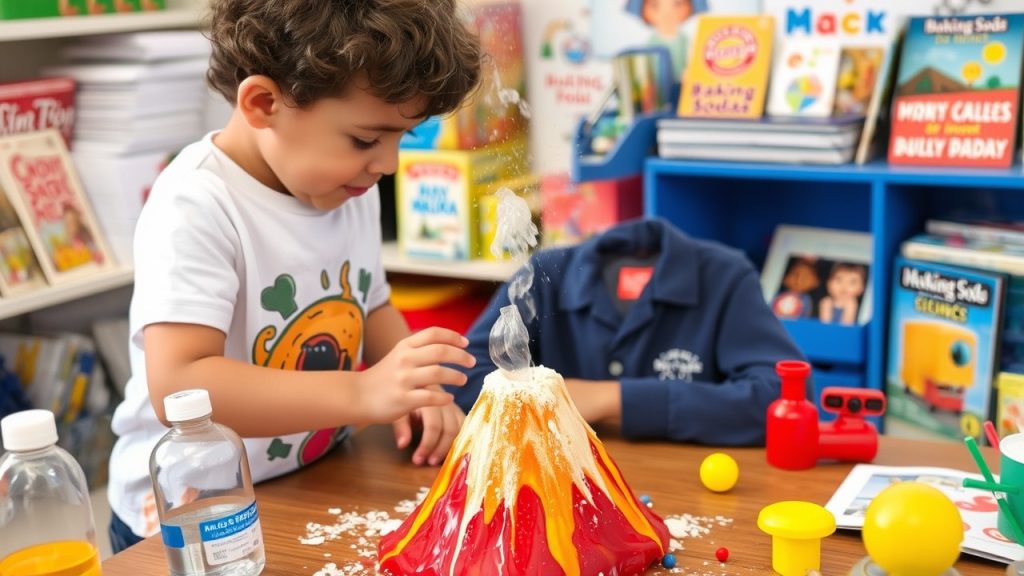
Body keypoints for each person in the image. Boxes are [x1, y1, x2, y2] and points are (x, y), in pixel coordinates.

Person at [106, 0, 482, 553]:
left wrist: (415, 388)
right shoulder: (196, 202)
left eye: (403, 138)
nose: (389, 164)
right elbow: (181, 384)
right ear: (263, 103)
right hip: (196, 514)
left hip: (308, 481)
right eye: (365, 139)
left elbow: (369, 304)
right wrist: (363, 390)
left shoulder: (344, 183)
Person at [453, 218, 806, 445]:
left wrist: (611, 398)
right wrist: (547, 396)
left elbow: (787, 399)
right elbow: (465, 379)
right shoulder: (544, 276)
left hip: (692, 495)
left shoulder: (725, 277)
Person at [625, 0, 706, 80]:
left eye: (677, 4)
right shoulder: (652, 41)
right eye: (655, 5)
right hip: (661, 86)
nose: (667, 12)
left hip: (681, 84)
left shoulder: (684, 40)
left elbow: (690, 60)